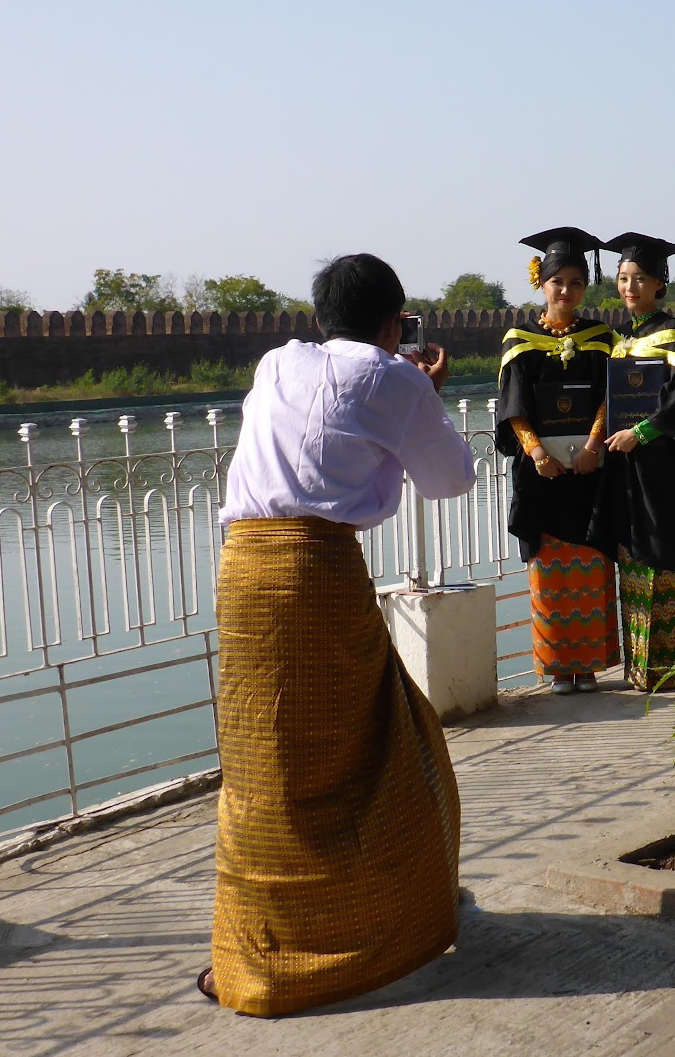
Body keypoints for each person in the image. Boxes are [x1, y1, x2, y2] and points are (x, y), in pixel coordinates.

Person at [204, 253, 476, 1016]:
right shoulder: (395, 379)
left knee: (263, 768)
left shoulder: (276, 362)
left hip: (242, 570)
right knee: (380, 749)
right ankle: (372, 928)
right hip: (312, 572)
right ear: (395, 323)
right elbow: (451, 478)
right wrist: (424, 394)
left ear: (321, 316)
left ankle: (248, 951)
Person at [589, 232, 675, 691]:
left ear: (660, 284)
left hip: (660, 471)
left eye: (641, 279)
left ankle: (668, 668)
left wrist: (641, 433)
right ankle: (639, 668)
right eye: (624, 278)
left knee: (659, 562)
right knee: (632, 562)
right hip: (626, 469)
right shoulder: (623, 339)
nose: (630, 287)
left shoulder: (674, 337)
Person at [497, 227, 620, 694]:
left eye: (575, 283)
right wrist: (535, 452)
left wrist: (592, 447)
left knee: (591, 565)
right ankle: (557, 667)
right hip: (542, 476)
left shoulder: (600, 337)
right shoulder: (519, 340)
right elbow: (514, 406)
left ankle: (587, 666)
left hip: (588, 473)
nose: (565, 291)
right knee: (550, 573)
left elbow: (610, 398)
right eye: (557, 282)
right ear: (541, 283)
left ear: (585, 287)